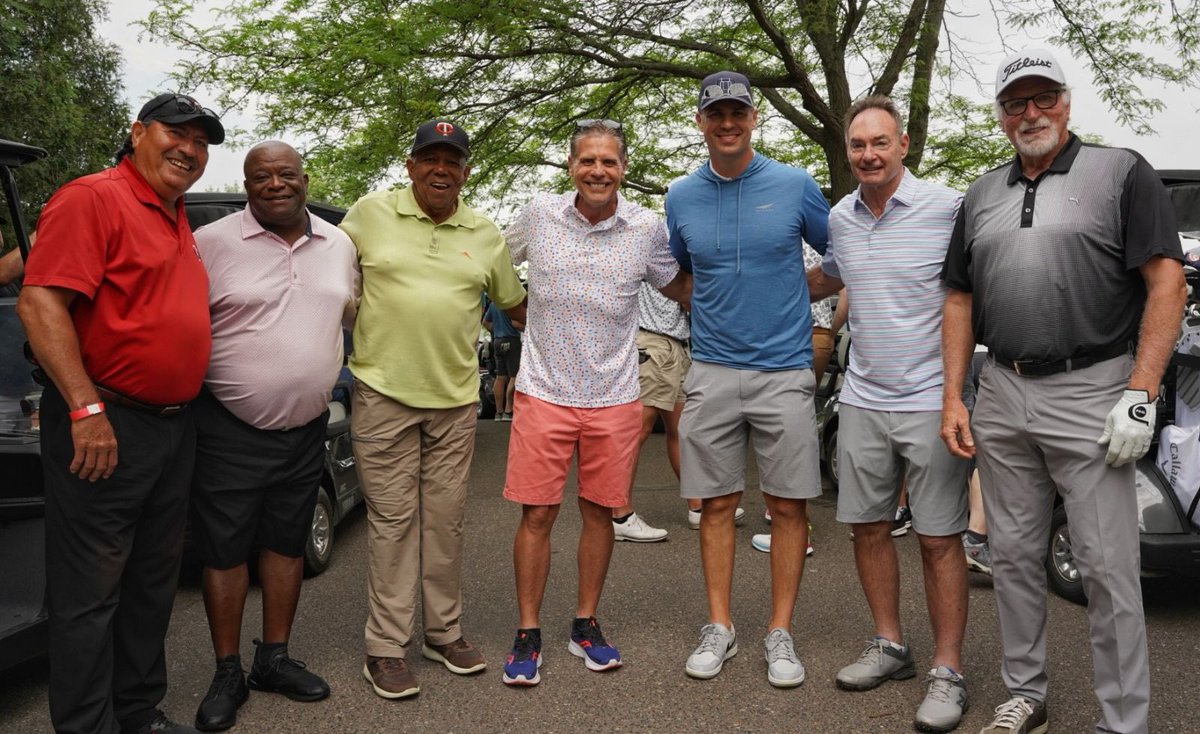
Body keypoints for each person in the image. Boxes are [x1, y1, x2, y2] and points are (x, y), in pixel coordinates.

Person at [941, 49, 1187, 734]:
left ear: (1067, 102)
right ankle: (1025, 691)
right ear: (1000, 116)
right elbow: (958, 298)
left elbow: (1167, 282)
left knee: (1108, 568)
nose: (1031, 113)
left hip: (1094, 390)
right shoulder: (982, 193)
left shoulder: (1120, 171)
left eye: (1043, 97)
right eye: (1016, 102)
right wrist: (955, 397)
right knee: (1012, 556)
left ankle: (1124, 720)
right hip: (1003, 389)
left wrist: (1142, 391)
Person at [18, 92, 224, 734]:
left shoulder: (175, 213)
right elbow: (40, 303)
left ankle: (136, 712)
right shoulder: (94, 196)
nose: (188, 148)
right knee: (91, 593)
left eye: (201, 140)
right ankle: (86, 725)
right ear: (137, 133)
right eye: (174, 132)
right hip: (106, 422)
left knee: (150, 585)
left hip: (171, 426)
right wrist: (85, 408)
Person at [340, 119, 526, 700]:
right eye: (431, 158)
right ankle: (386, 648)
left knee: (445, 523)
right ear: (411, 164)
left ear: (466, 171)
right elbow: (328, 282)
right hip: (383, 395)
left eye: (453, 161)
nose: (441, 169)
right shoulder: (368, 215)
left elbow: (516, 306)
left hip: (454, 403)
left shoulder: (486, 232)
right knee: (394, 525)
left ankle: (442, 633)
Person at [501, 119, 690, 686]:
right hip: (544, 392)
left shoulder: (646, 229)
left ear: (623, 169)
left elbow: (680, 288)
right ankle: (528, 631)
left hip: (614, 396)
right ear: (571, 166)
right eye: (588, 160)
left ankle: (585, 623)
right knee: (537, 513)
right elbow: (487, 262)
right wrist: (518, 312)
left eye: (609, 162)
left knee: (599, 512)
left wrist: (749, 285)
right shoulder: (538, 216)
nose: (598, 171)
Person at [807, 95, 970, 732]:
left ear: (904, 145)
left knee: (937, 539)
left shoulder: (948, 206)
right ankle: (891, 646)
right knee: (868, 527)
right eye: (858, 146)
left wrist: (962, 392)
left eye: (881, 142)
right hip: (864, 400)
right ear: (848, 154)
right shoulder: (840, 217)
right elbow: (833, 279)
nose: (869, 154)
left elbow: (972, 292)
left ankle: (948, 669)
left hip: (932, 399)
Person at [188, 142, 359, 731]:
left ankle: (274, 659)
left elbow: (354, 313)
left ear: (305, 180)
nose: (276, 184)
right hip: (228, 427)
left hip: (305, 426)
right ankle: (228, 670)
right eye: (262, 176)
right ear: (247, 183)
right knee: (226, 549)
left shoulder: (340, 245)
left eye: (287, 174)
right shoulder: (210, 243)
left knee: (287, 545)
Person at [668, 71, 829, 688]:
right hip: (711, 367)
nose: (727, 123)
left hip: (785, 368)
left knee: (788, 505)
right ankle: (721, 627)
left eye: (737, 112)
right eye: (716, 113)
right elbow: (679, 274)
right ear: (702, 120)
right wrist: (708, 306)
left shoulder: (794, 185)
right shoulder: (681, 195)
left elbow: (840, 253)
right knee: (716, 504)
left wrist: (802, 290)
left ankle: (780, 632)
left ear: (753, 117)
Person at [482, 297, 522, 421]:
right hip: (511, 340)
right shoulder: (512, 302)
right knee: (515, 376)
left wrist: (497, 329)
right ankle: (508, 410)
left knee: (500, 376)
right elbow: (516, 323)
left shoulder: (495, 303)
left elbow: (485, 323)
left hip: (498, 341)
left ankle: (498, 412)